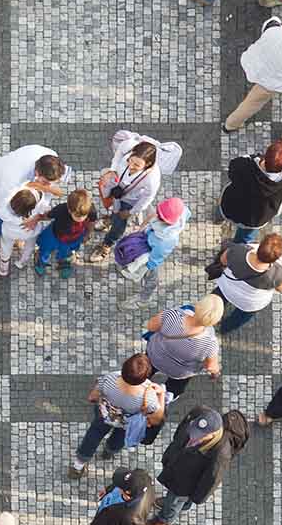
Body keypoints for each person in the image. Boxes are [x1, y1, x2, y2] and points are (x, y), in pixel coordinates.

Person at [140, 407, 249, 525]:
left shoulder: (221, 454)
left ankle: (164, 520)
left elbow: (211, 480)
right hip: (179, 463)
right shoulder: (200, 413)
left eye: (200, 436)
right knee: (178, 500)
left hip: (186, 482)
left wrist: (197, 497)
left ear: (213, 434)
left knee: (175, 500)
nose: (193, 437)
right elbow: (182, 429)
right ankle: (183, 505)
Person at [68, 354, 166, 480]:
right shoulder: (149, 396)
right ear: (146, 376)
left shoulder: (110, 378)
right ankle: (109, 452)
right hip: (126, 423)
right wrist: (161, 395)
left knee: (94, 434)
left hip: (105, 415)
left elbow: (92, 397)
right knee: (120, 437)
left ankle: (78, 465)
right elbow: (156, 419)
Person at [0, 146, 65, 259]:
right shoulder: (12, 182)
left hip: (20, 183)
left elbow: (50, 188)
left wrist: (47, 189)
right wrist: (23, 221)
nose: (49, 186)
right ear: (37, 173)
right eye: (46, 183)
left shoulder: (51, 158)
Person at [224, 7, 282, 132]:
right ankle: (231, 125)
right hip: (270, 81)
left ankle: (231, 125)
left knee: (249, 104)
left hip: (254, 62)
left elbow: (270, 24)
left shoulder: (273, 30)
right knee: (252, 104)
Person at [88, 133, 174, 264]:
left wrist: (131, 212)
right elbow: (118, 155)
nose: (131, 166)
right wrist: (112, 170)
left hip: (130, 200)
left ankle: (107, 244)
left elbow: (147, 198)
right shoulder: (128, 145)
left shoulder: (152, 178)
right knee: (113, 210)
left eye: (137, 165)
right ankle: (110, 219)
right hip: (116, 187)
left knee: (119, 226)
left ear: (148, 164)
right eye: (130, 160)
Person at [114, 196, 191, 309]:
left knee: (150, 278)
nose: (158, 216)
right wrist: (142, 227)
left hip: (150, 254)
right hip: (147, 237)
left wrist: (145, 267)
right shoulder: (179, 209)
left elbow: (156, 257)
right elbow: (154, 215)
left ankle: (144, 299)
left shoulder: (165, 241)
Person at [216, 140, 282, 242]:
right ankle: (238, 249)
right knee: (245, 238)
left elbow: (232, 170)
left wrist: (254, 158)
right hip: (256, 219)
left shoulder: (245, 165)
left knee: (221, 211)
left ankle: (218, 219)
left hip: (231, 206)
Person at [144, 295, 223, 399]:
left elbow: (151, 326)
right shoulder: (210, 343)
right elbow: (210, 366)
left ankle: (142, 382)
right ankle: (169, 396)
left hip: (155, 355)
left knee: (145, 370)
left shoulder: (173, 314)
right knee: (176, 386)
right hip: (178, 371)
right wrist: (216, 372)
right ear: (215, 320)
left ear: (198, 306)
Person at [210, 234, 282, 334]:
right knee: (240, 317)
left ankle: (207, 319)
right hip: (250, 302)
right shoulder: (277, 274)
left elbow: (223, 260)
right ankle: (224, 329)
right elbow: (281, 288)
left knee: (215, 301)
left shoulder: (238, 250)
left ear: (260, 246)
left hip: (228, 288)